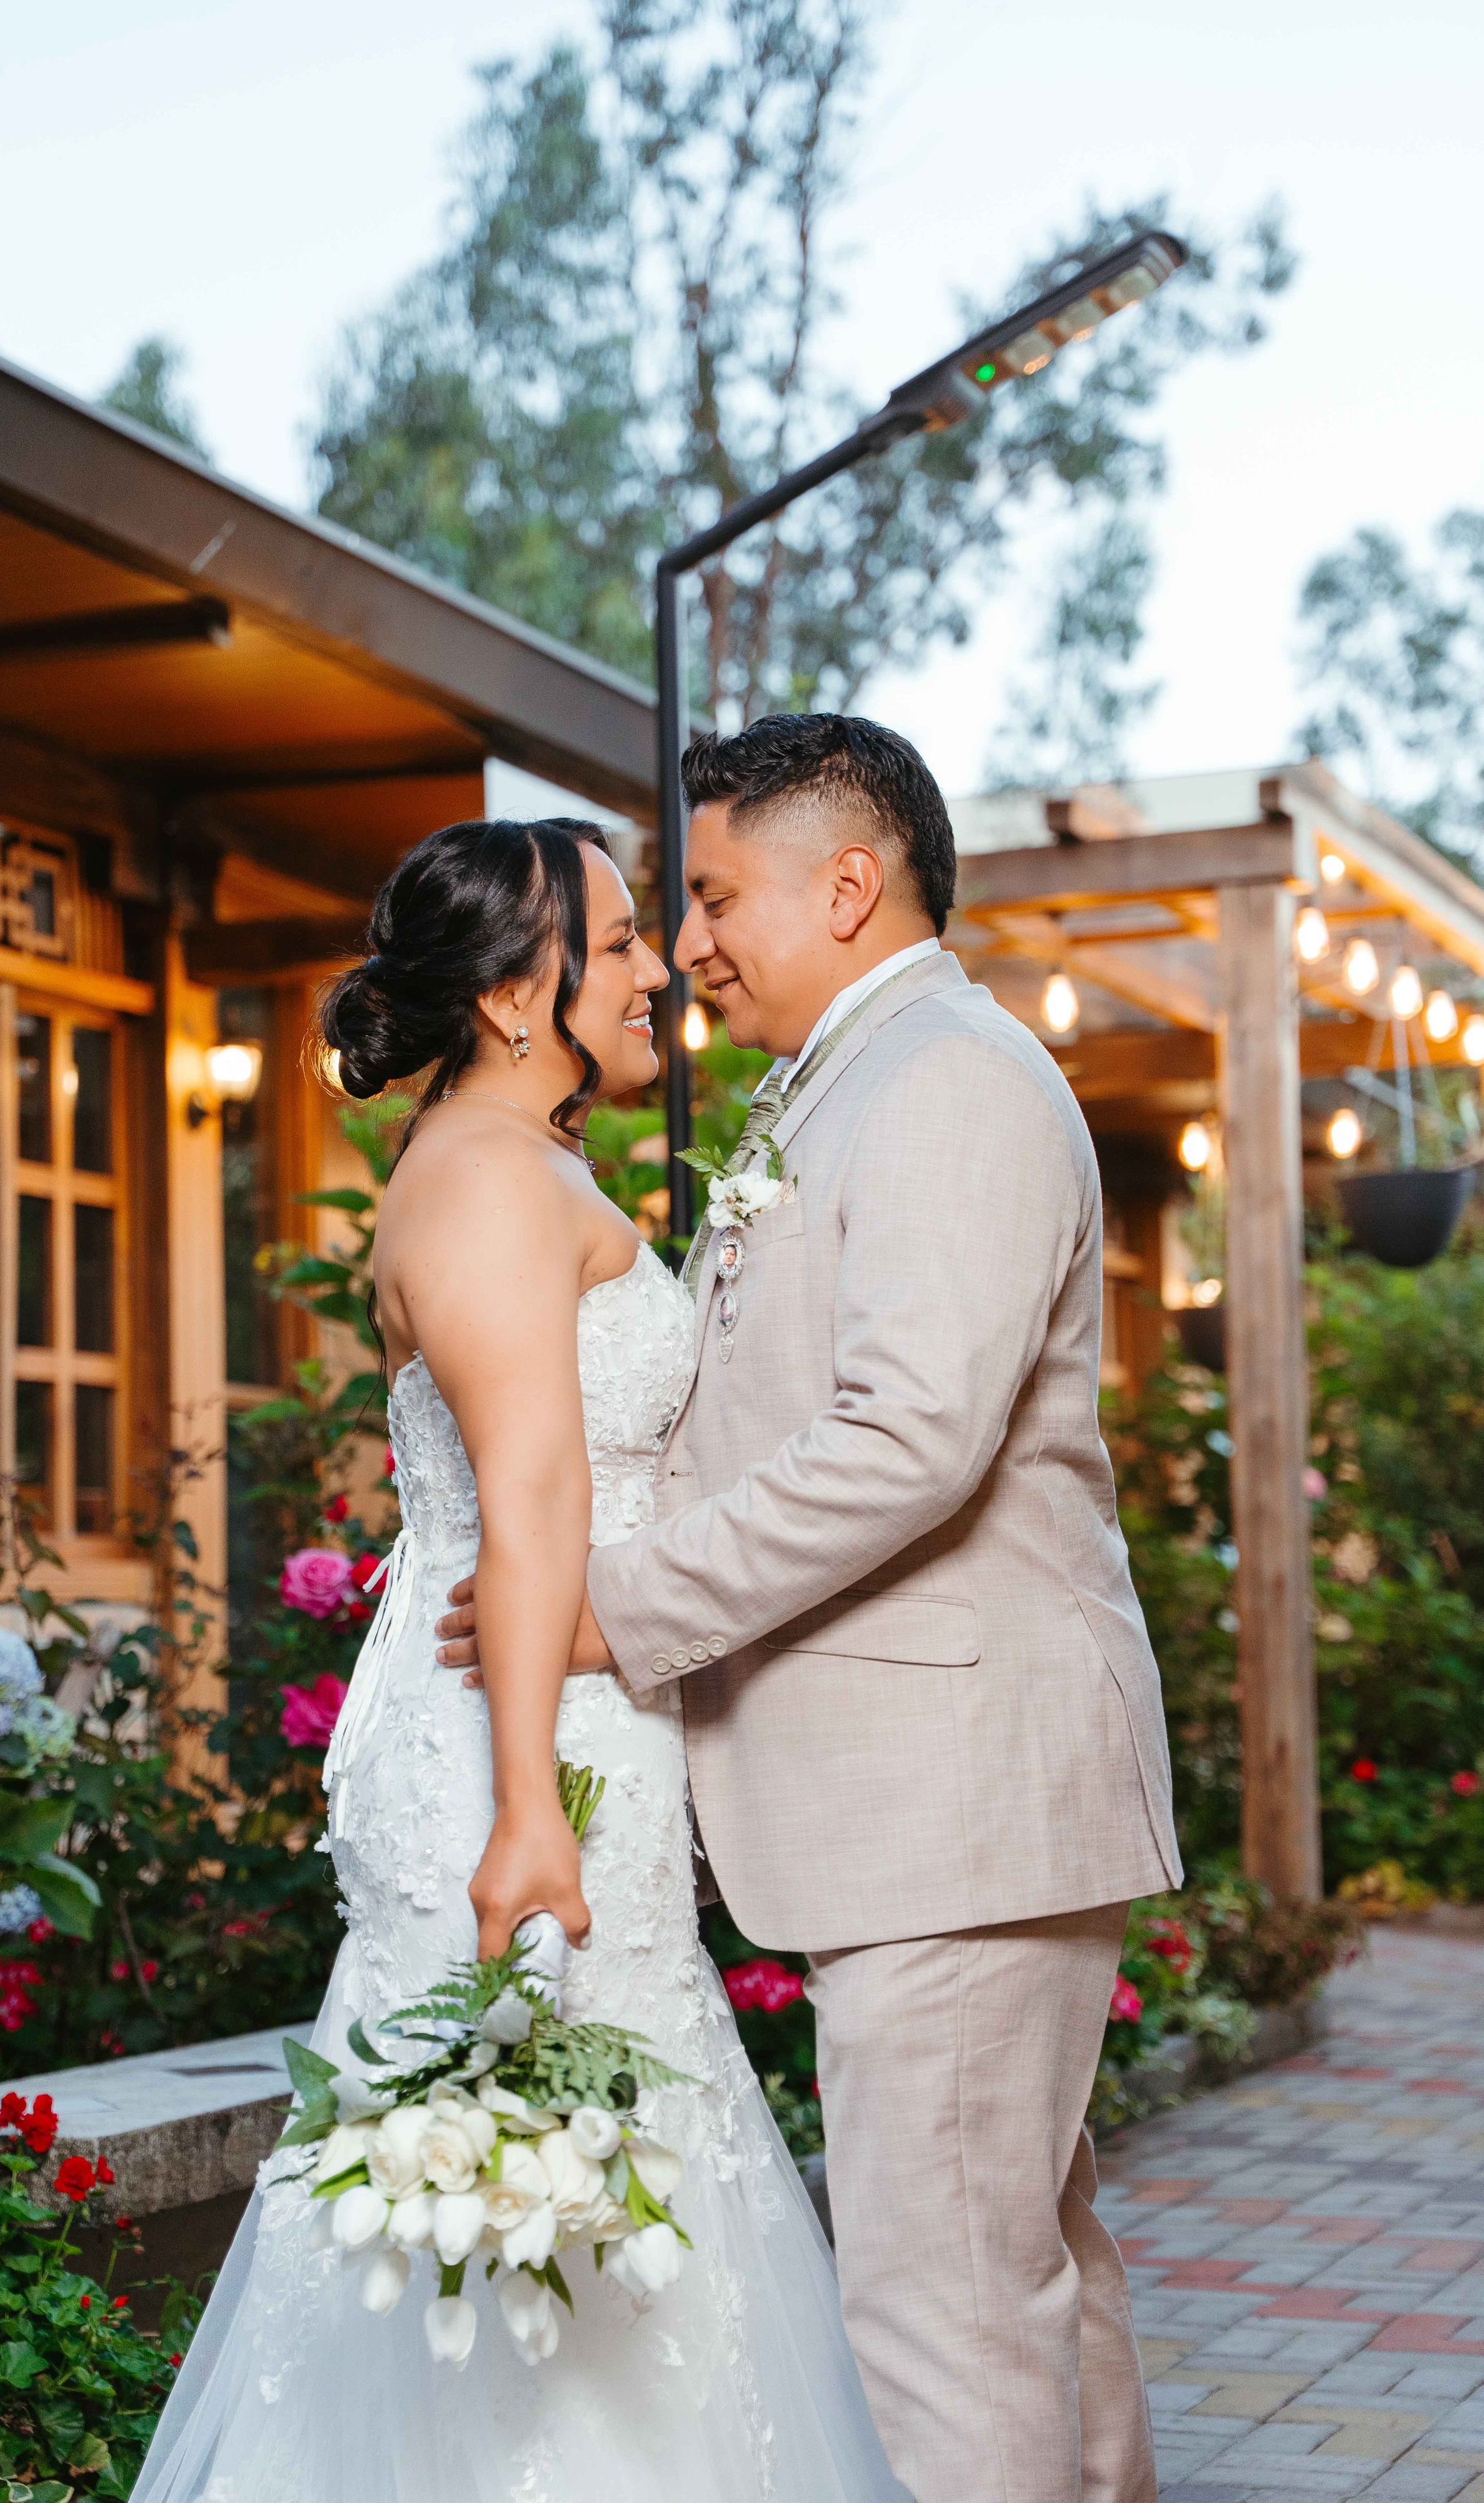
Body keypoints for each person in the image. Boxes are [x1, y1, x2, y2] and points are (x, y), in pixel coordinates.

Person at [439, 716, 1182, 2503]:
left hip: (957, 1806)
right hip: (934, 1805)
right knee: (1019, 2275)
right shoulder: (857, 1078)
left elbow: (910, 1439)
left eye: (712, 897)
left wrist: (620, 1604)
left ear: (849, 885)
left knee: (944, 2313)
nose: (688, 945)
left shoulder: (947, 1080)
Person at [130, 813, 906, 2503]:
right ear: (507, 997)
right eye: (618, 943)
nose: (654, 974)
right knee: (514, 2185)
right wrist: (527, 1812)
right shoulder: (485, 1180)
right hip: (520, 1739)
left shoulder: (524, 1163)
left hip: (570, 1708)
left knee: (601, 2173)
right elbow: (533, 1486)